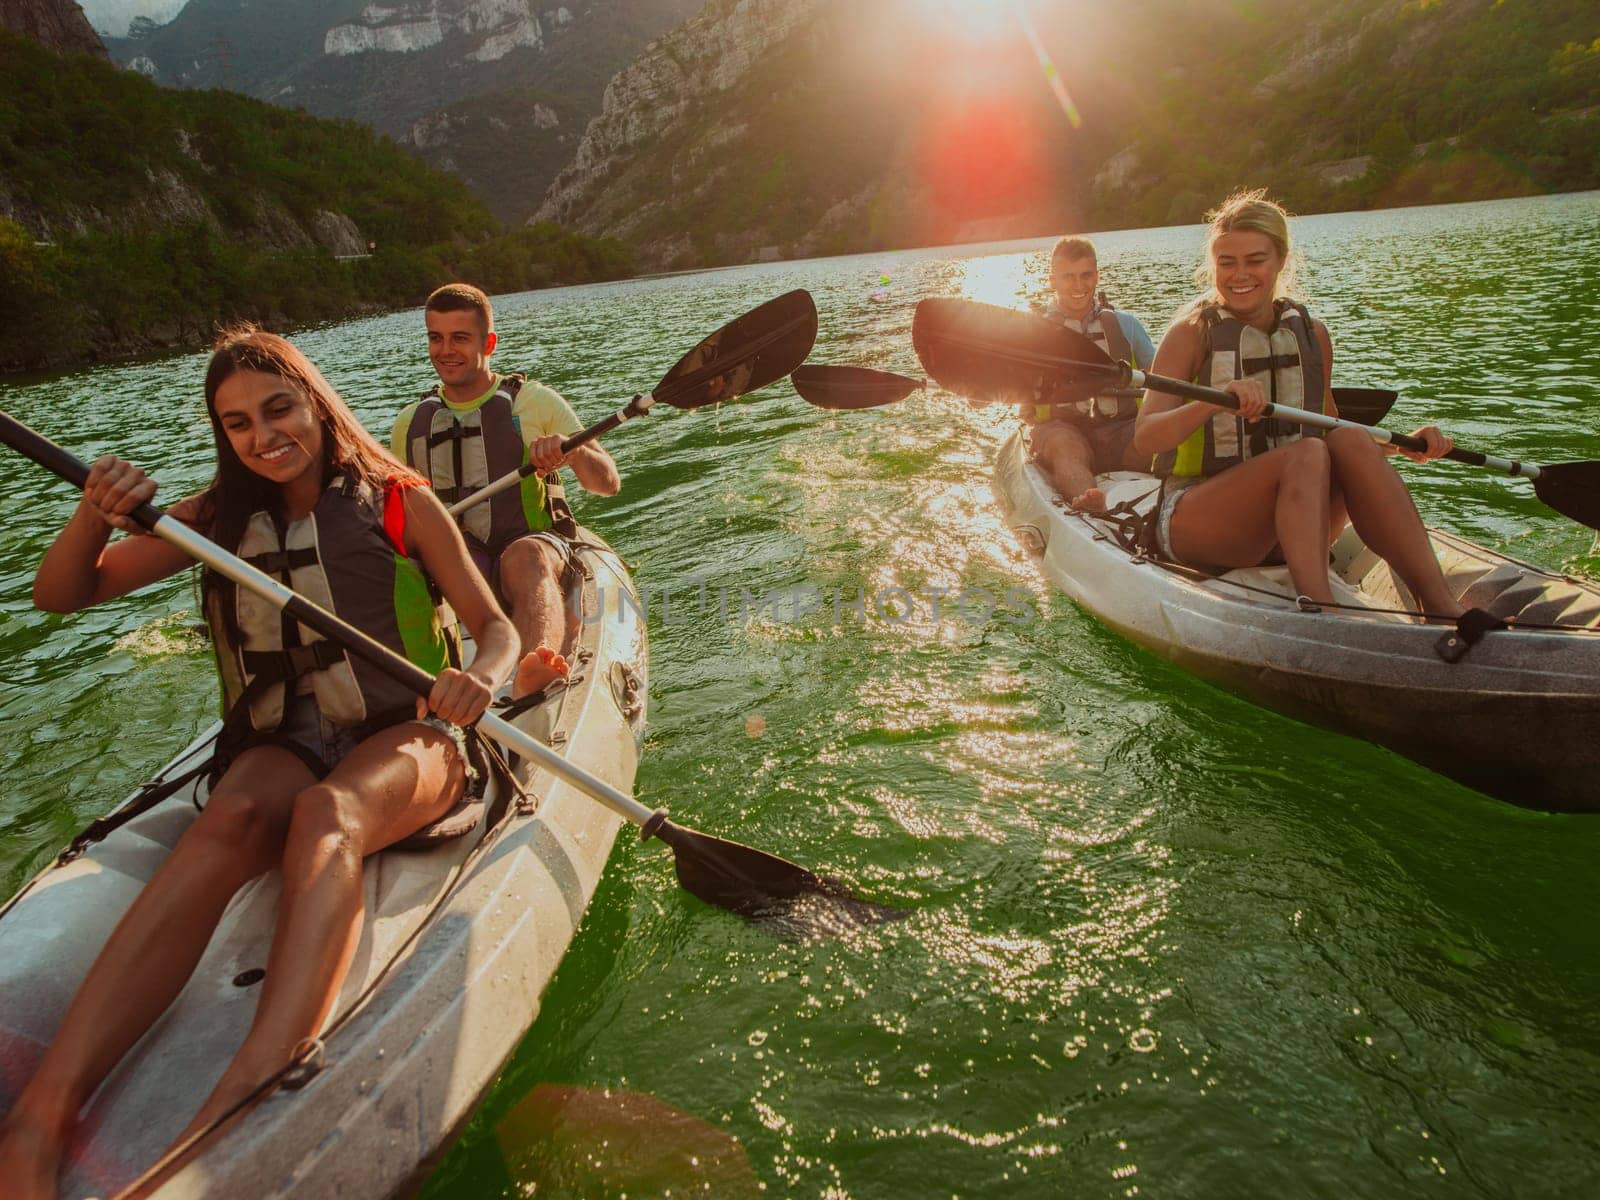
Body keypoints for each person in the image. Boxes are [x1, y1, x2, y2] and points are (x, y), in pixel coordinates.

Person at [0, 327, 520, 1198]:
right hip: (282, 739)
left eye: (278, 408)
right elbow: (65, 593)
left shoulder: (400, 500)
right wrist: (95, 509)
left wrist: (481, 677)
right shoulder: (213, 517)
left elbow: (493, 623)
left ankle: (259, 1069)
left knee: (330, 817)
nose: (262, 434)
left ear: (315, 402)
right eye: (236, 422)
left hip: (411, 733)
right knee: (231, 818)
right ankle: (42, 1114)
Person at [1132, 190, 1464, 616]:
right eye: (1226, 263)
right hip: (1200, 520)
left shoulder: (1312, 334)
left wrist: (1403, 446)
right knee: (1305, 455)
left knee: (1350, 442)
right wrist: (1214, 403)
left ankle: (1439, 605)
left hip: (1294, 523)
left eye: (1255, 260)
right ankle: (1320, 610)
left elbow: (1329, 428)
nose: (1240, 275)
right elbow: (1146, 439)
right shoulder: (1191, 334)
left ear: (1281, 260)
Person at [393, 283, 620, 700]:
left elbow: (607, 483)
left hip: (532, 544)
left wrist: (572, 452)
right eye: (435, 337)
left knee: (523, 558)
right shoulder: (411, 422)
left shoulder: (532, 403)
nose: (446, 350)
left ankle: (532, 668)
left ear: (489, 342)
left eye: (460, 338)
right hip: (463, 558)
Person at [1028, 236, 1158, 512]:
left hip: (1121, 427)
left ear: (1097, 276)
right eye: (1068, 277)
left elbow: (1160, 376)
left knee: (1157, 439)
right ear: (1053, 281)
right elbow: (1005, 385)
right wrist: (980, 395)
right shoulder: (1031, 334)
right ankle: (1092, 503)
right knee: (1065, 447)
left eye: (1086, 275)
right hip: (1062, 427)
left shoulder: (1126, 324)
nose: (1078, 286)